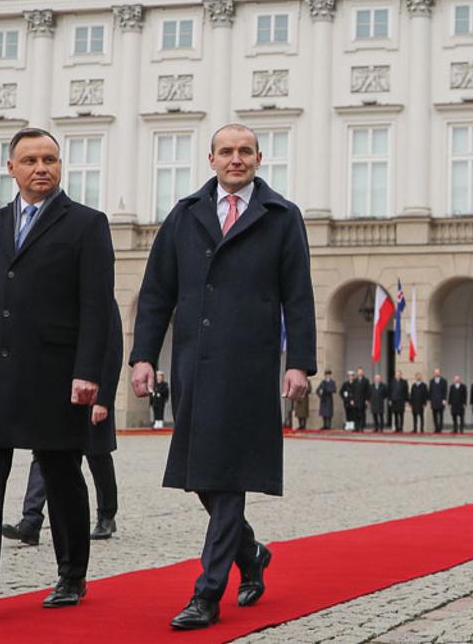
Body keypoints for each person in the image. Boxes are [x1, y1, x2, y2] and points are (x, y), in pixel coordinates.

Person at [129, 123, 315, 631]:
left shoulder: (281, 216)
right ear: (210, 158)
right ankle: (250, 552)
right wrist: (143, 356)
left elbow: (298, 295)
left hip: (250, 366)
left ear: (260, 157)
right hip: (194, 362)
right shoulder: (185, 215)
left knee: (228, 476)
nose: (236, 159)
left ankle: (207, 593)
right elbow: (156, 292)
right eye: (227, 151)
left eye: (245, 151)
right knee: (201, 478)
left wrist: (298, 362)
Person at [0, 127, 115, 623]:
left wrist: (88, 372)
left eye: (50, 159)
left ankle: (72, 574)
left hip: (55, 375)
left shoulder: (87, 224)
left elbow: (96, 306)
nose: (41, 168)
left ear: (60, 165)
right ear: (11, 168)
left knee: (60, 476)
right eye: (30, 160)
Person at [5, 314, 125, 546]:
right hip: (60, 392)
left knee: (97, 456)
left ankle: (107, 514)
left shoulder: (101, 301)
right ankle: (31, 521)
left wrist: (104, 400)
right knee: (44, 453)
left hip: (92, 394)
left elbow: (112, 353)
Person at [429, 368, 449, 433]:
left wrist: (444, 399)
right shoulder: (431, 381)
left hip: (441, 400)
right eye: (435, 372)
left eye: (438, 372)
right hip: (434, 401)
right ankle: (436, 428)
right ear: (434, 373)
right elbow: (430, 391)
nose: (437, 373)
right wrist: (430, 400)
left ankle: (440, 428)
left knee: (440, 415)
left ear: (440, 373)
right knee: (434, 416)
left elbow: (445, 391)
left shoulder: (444, 381)